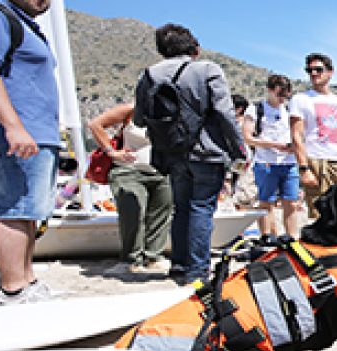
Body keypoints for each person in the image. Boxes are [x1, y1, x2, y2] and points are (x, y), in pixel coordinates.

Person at [133, 23, 245, 285]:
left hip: (171, 153)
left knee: (181, 209)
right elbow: (225, 113)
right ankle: (198, 271)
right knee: (202, 208)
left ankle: (179, 266)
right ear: (194, 47)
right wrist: (239, 148)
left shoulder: (148, 75)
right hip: (206, 151)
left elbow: (139, 119)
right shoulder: (207, 69)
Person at [0, 0, 60, 304]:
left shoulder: (23, 22)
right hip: (15, 136)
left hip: (36, 134)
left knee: (28, 212)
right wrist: (13, 126)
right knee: (13, 209)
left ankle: (26, 282)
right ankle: (14, 289)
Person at [87, 102, 172, 274]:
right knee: (132, 212)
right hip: (129, 170)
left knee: (161, 213)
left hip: (163, 171)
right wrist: (111, 151)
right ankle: (130, 259)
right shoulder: (132, 109)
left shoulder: (177, 111)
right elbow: (95, 124)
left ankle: (153, 257)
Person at [290, 53, 337, 219]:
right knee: (320, 214)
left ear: (330, 72)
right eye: (309, 70)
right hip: (316, 162)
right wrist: (304, 168)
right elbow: (296, 135)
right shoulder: (301, 99)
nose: (313, 73)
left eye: (318, 69)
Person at [243, 74, 302, 240]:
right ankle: (267, 235)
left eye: (285, 96)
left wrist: (294, 147)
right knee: (266, 201)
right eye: (279, 95)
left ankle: (291, 237)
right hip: (266, 161)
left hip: (289, 162)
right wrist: (274, 145)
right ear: (269, 90)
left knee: (291, 202)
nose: (282, 99)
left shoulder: (290, 110)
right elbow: (247, 137)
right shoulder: (256, 109)